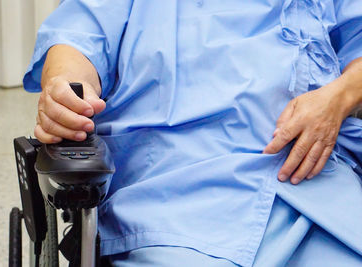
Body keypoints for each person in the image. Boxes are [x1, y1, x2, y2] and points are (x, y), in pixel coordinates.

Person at [24, 0, 362, 266]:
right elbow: (77, 38)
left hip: (314, 187)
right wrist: (66, 91)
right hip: (175, 191)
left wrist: (338, 97)